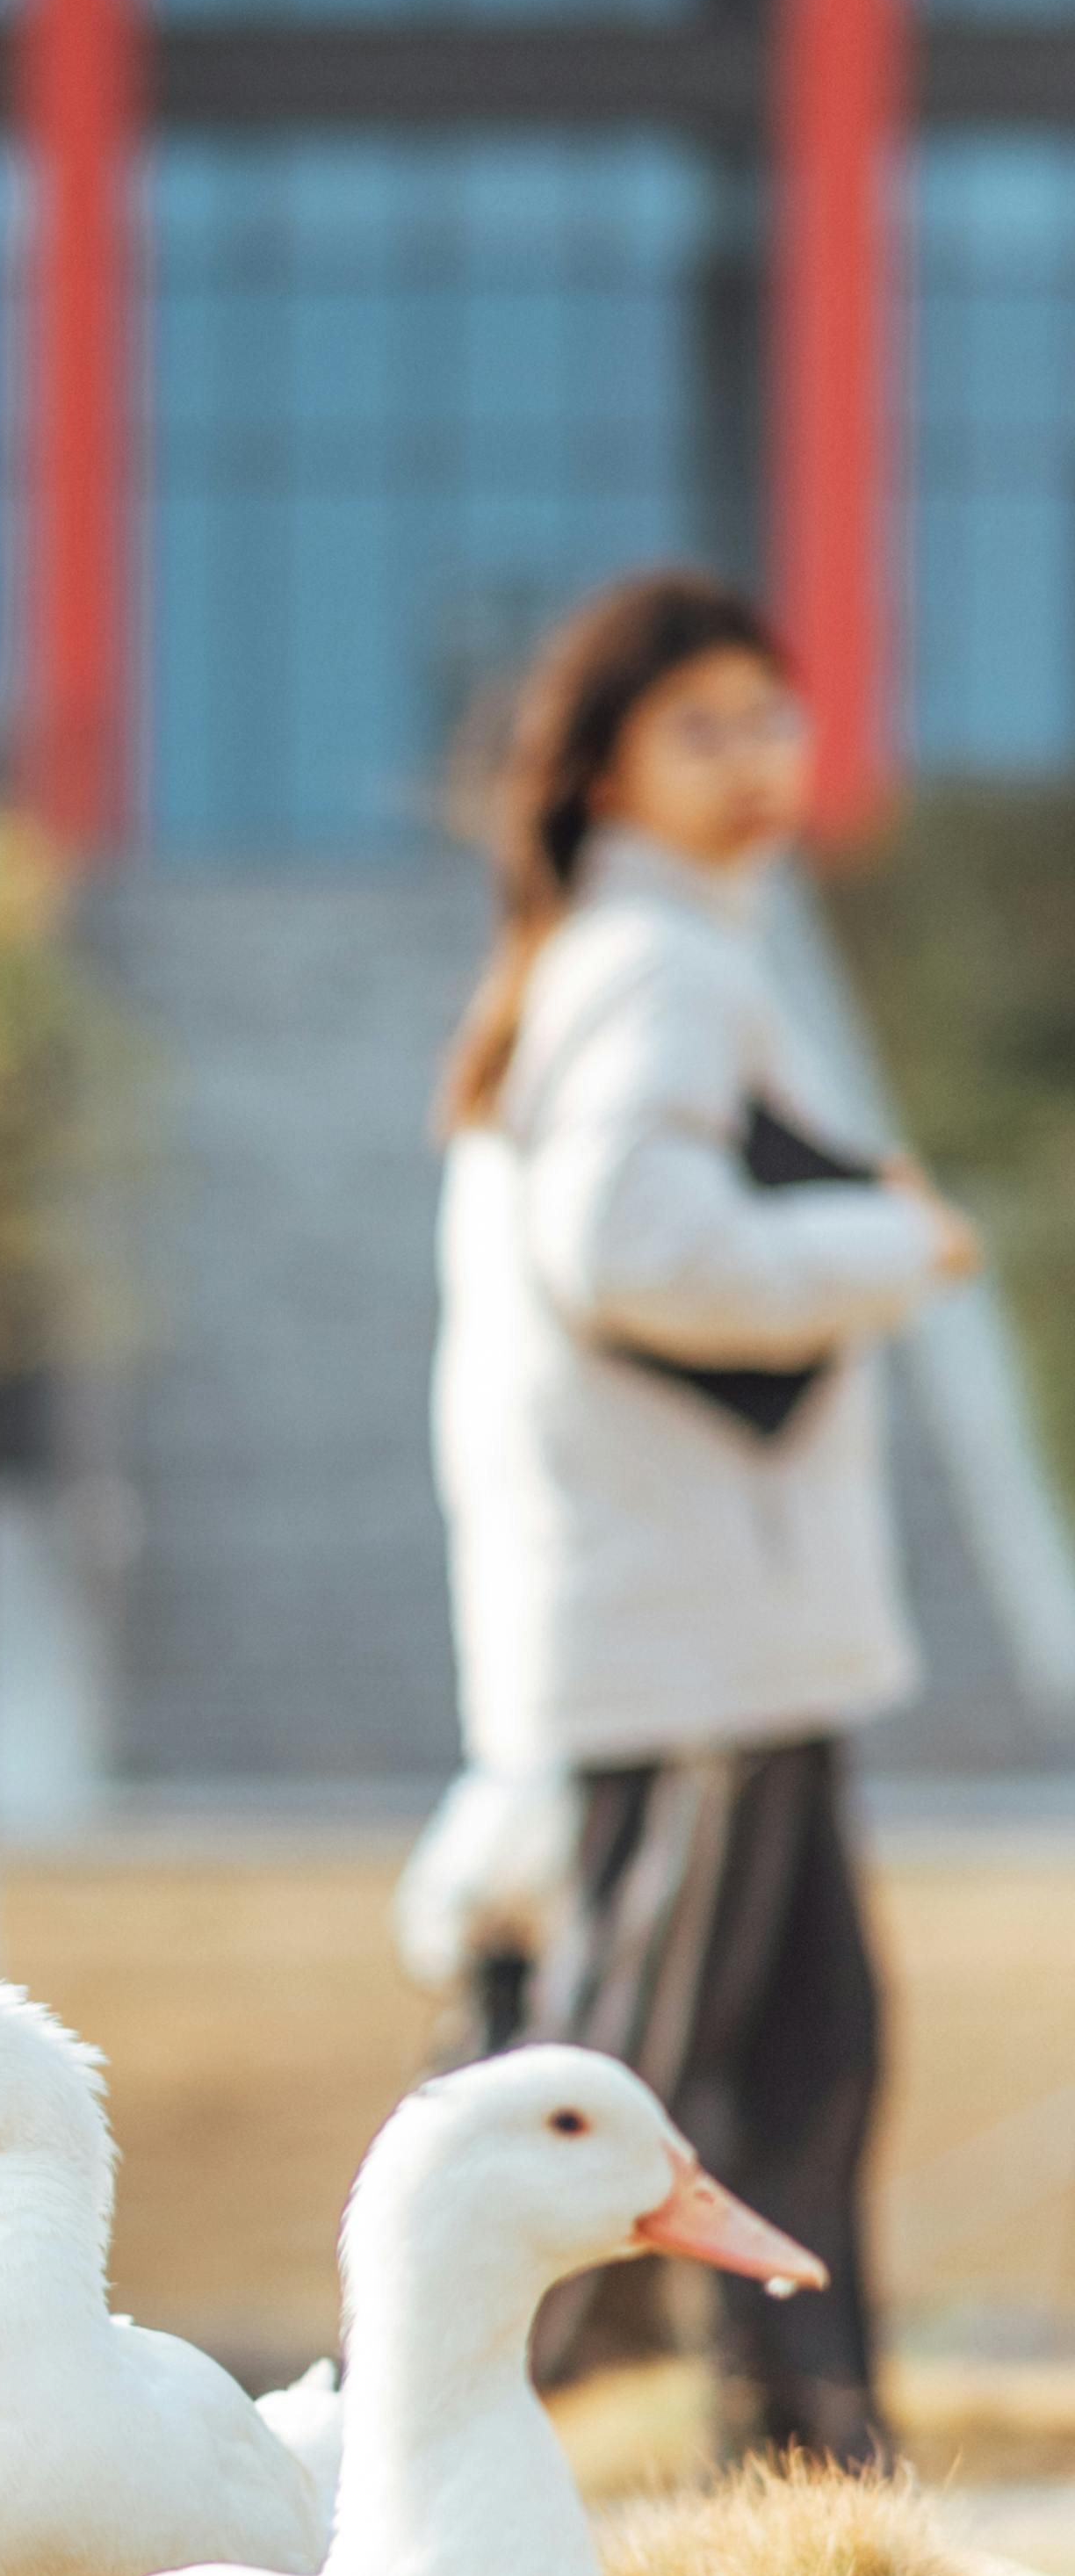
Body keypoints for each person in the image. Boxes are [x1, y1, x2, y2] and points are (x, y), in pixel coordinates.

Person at [425, 568, 980, 2467]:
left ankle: (818, 2488)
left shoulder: (644, 949)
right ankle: (390, 2460)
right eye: (703, 725)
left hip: (710, 1644)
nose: (758, 753)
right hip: (684, 1654)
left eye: (771, 712)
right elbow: (628, 1246)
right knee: (604, 2113)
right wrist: (891, 1238)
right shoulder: (653, 965)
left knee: (802, 2068)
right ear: (599, 772)